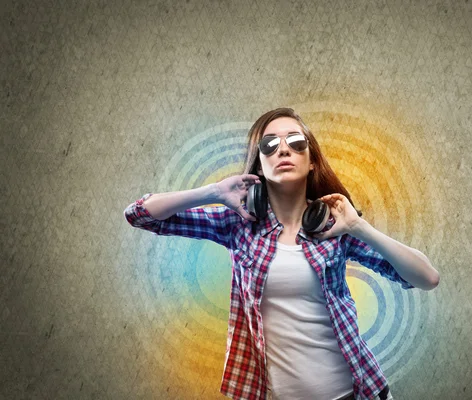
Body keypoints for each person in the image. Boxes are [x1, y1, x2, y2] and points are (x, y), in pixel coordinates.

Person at [124, 107, 439, 400]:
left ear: (312, 160)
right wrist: (214, 192)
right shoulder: (239, 224)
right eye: (269, 144)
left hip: (357, 392)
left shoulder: (334, 227)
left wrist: (358, 226)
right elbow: (140, 214)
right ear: (259, 163)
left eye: (296, 142)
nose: (283, 149)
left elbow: (427, 278)